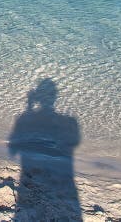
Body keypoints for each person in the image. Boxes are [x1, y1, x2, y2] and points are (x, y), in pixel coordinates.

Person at [8, 79, 82, 221]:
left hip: (29, 165)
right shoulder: (66, 120)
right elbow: (75, 140)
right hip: (62, 171)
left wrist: (29, 107)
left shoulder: (25, 117)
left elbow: (12, 149)